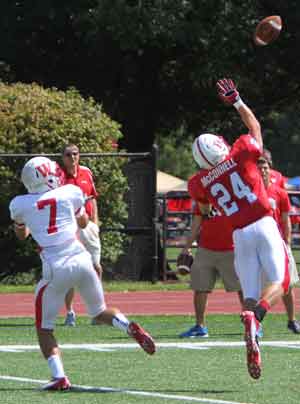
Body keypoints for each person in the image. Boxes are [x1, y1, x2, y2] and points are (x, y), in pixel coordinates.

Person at [9, 156, 156, 391]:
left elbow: (22, 235)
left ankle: (59, 376)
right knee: (99, 312)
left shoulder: (19, 204)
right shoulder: (70, 191)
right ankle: (127, 326)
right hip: (81, 258)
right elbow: (84, 222)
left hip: (55, 266)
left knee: (44, 327)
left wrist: (28, 222)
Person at [190, 78, 289, 380]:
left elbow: (205, 208)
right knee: (280, 282)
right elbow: (255, 127)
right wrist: (236, 100)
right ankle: (256, 316)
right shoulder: (242, 151)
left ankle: (253, 332)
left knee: (249, 292)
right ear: (219, 145)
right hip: (263, 224)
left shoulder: (201, 182)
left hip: (239, 236)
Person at [178, 202, 243, 338]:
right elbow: (196, 226)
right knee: (200, 288)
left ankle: (253, 323)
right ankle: (200, 326)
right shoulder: (203, 200)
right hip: (206, 249)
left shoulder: (231, 196)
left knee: (242, 288)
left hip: (231, 249)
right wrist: (186, 247)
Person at [257, 156, 300, 333]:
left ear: (270, 169)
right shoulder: (250, 192)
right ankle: (256, 322)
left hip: (278, 243)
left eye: (266, 167)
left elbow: (285, 220)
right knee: (258, 285)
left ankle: (292, 320)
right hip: (258, 244)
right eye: (260, 168)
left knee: (287, 284)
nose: (263, 171)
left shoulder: (279, 192)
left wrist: (288, 243)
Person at [60, 144, 102, 326]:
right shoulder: (59, 177)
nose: (72, 157)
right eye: (68, 154)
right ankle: (69, 312)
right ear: (63, 157)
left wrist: (95, 223)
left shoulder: (86, 172)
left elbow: (92, 198)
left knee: (96, 267)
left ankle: (97, 311)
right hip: (70, 228)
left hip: (89, 227)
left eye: (75, 154)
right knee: (70, 270)